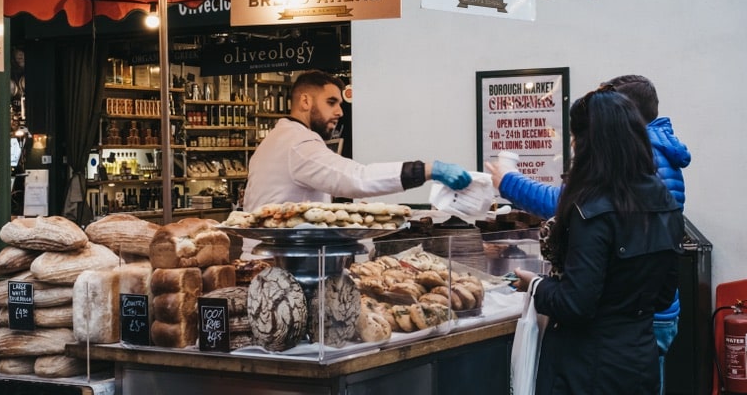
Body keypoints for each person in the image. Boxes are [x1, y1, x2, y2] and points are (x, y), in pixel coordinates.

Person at [486, 75, 690, 394]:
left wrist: (535, 284)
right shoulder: (665, 202)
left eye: (575, 137)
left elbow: (576, 305)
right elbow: (663, 294)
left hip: (591, 369)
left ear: (589, 143)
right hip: (640, 362)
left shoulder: (590, 207)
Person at [243, 69, 471, 211]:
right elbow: (357, 179)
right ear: (305, 101)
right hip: (283, 263)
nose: (340, 112)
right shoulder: (298, 143)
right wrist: (428, 170)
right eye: (331, 102)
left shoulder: (275, 139)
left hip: (272, 258)